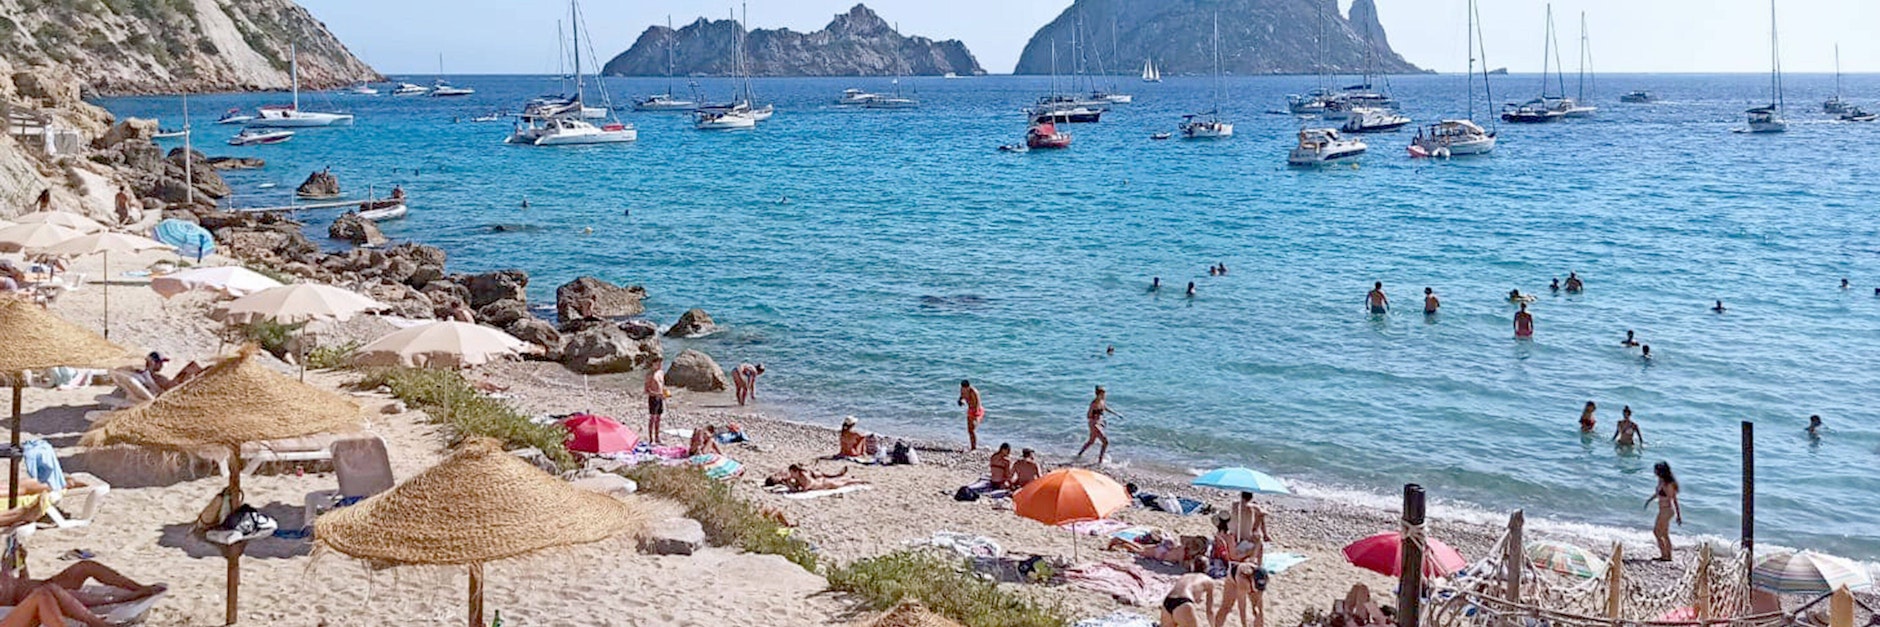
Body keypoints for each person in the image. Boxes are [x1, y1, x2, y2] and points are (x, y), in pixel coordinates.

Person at [0, 559, 165, 627]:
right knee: (47, 592)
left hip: (40, 587)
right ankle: (102, 618)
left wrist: (22, 564)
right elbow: (8, 600)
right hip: (23, 602)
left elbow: (21, 582)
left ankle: (136, 588)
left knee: (85, 566)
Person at [1162, 559, 1219, 627]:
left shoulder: (1185, 576)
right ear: (1207, 568)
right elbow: (1209, 611)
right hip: (1183, 603)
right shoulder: (1209, 580)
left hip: (1168, 601)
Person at [1645, 461, 1681, 561]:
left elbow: (1674, 500)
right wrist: (1649, 500)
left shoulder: (1668, 484)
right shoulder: (1661, 481)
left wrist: (1679, 516)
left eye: (1656, 470)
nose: (1654, 472)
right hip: (1663, 510)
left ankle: (1664, 555)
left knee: (1656, 532)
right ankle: (1667, 556)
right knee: (1664, 534)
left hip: (1666, 510)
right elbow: (1658, 494)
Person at [1075, 386, 1121, 464]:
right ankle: (1100, 460)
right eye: (1103, 393)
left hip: (1099, 423)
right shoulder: (1094, 403)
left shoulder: (1102, 401)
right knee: (1105, 442)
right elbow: (1088, 415)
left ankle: (1079, 454)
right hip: (1094, 424)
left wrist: (1116, 414)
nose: (1105, 395)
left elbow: (1105, 408)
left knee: (1091, 441)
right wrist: (1095, 421)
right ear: (1099, 394)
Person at [1217, 559, 1268, 627]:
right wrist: (1244, 625)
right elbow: (1242, 607)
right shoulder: (1243, 581)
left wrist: (1254, 607)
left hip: (1249, 572)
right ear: (1252, 578)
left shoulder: (1265, 576)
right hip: (1233, 578)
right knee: (1226, 607)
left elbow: (1259, 594)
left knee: (1259, 610)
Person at [1226, 492, 1270, 563]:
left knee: (1259, 517)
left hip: (1233, 536)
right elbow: (1264, 513)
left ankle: (1265, 535)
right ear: (1251, 498)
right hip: (1243, 539)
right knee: (1260, 544)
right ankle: (1259, 564)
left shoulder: (1235, 504)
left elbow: (1242, 504)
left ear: (1241, 496)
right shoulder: (1253, 508)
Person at [783, 464, 867, 493]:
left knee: (843, 483)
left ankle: (860, 481)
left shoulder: (805, 478)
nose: (790, 474)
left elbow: (805, 488)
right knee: (839, 480)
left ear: (796, 472)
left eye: (791, 472)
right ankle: (851, 478)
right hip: (821, 481)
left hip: (824, 484)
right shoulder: (799, 476)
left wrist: (791, 485)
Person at [644, 357, 668, 445]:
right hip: (653, 398)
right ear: (653, 364)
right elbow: (646, 390)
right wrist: (657, 394)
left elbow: (662, 385)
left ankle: (657, 437)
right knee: (652, 418)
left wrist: (665, 393)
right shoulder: (650, 375)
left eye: (661, 364)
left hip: (660, 398)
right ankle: (651, 439)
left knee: (658, 418)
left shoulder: (661, 372)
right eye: (658, 364)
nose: (659, 365)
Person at [958, 379, 985, 451]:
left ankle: (974, 448)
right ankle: (973, 447)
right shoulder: (962, 389)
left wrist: (976, 415)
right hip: (970, 410)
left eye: (965, 389)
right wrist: (960, 401)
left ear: (968, 387)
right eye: (962, 388)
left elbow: (978, 404)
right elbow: (961, 397)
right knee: (970, 430)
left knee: (972, 429)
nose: (964, 390)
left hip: (977, 411)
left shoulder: (974, 392)